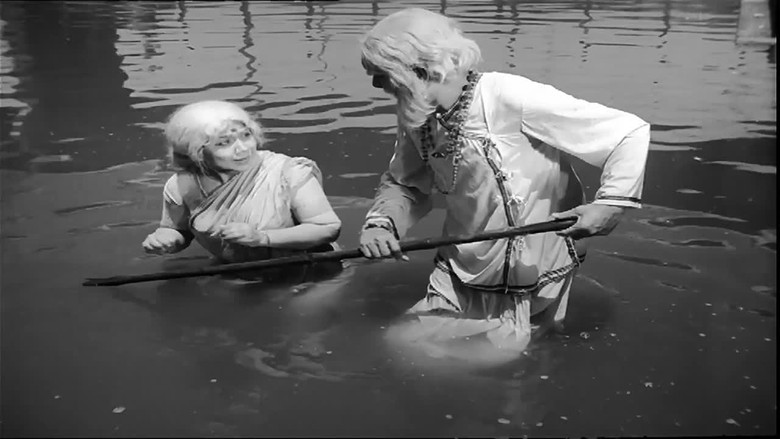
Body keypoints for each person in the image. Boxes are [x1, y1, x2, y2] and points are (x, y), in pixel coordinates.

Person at [357, 8, 650, 360]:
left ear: (422, 68)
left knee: (492, 361)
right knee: (402, 344)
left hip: (530, 269)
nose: (377, 86)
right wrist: (382, 224)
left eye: (382, 74)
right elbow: (405, 183)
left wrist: (610, 205)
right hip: (460, 262)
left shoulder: (508, 96)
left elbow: (627, 133)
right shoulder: (417, 113)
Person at [142, 100, 343, 282]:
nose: (242, 148)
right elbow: (179, 230)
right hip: (237, 272)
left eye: (246, 135)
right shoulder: (181, 186)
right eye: (224, 143)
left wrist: (262, 238)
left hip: (311, 272)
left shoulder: (288, 173)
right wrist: (166, 240)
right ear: (195, 152)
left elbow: (327, 228)